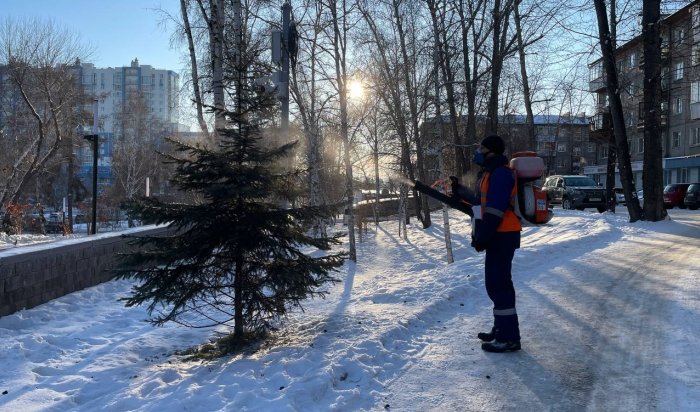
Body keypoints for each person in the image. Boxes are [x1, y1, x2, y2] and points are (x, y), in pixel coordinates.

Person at [452, 135, 522, 353]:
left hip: (502, 234)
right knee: (495, 284)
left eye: (480, 147)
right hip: (498, 234)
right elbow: (480, 201)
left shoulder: (500, 173)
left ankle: (508, 338)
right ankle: (501, 329)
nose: (478, 151)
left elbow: (494, 209)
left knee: (499, 285)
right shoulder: (490, 173)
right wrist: (459, 191)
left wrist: (484, 236)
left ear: (491, 151)